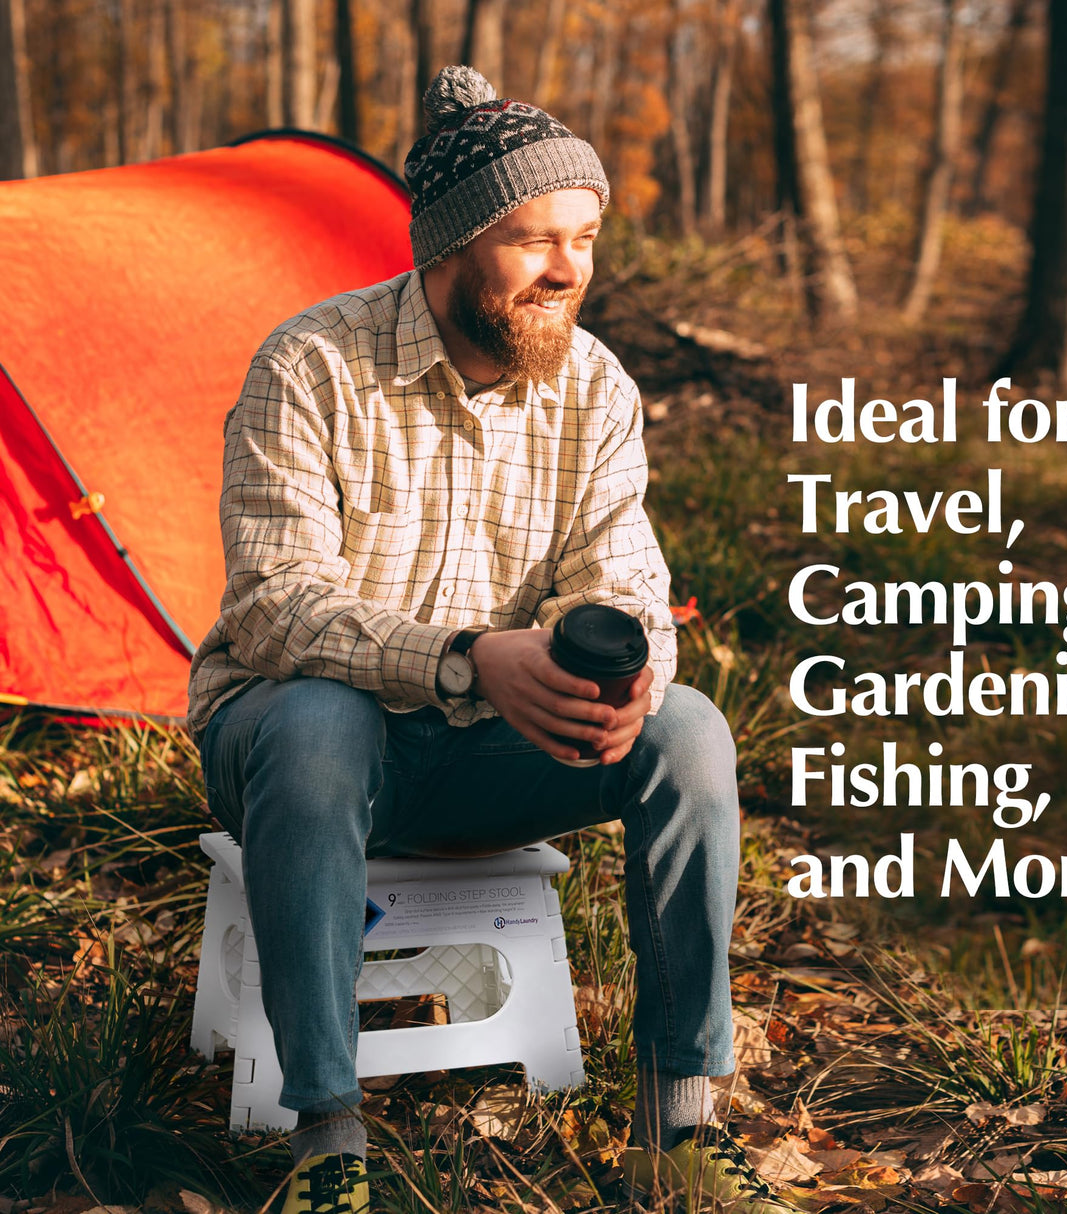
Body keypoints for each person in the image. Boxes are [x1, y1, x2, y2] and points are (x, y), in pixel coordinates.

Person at [189, 65, 799, 1214]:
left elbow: (621, 572)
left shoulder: (595, 386)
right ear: (450, 246)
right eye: (531, 239)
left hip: (494, 748)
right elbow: (274, 605)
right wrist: (470, 654)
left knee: (690, 733)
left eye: (583, 237)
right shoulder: (311, 365)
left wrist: (616, 672)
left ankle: (675, 1126)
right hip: (301, 746)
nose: (566, 269)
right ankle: (326, 1143)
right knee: (322, 722)